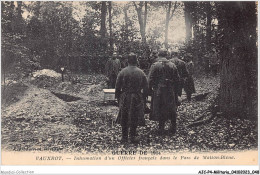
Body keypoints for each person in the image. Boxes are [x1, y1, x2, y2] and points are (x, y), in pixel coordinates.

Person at [115, 53, 148, 144]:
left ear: (127, 61)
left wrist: (118, 98)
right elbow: (146, 87)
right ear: (136, 60)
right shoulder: (141, 72)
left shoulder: (122, 72)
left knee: (124, 116)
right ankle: (133, 136)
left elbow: (117, 86)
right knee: (134, 115)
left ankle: (124, 137)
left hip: (125, 97)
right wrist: (144, 98)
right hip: (137, 97)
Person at [148, 48, 180, 134]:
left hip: (159, 90)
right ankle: (173, 127)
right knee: (171, 107)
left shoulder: (155, 65)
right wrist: (176, 91)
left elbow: (150, 79)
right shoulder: (173, 65)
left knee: (160, 107)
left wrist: (150, 89)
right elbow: (177, 79)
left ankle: (161, 128)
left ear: (159, 54)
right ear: (167, 55)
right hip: (170, 90)